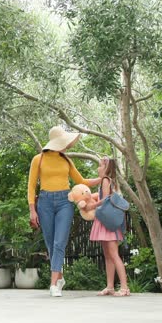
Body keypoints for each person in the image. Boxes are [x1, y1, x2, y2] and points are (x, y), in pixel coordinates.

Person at [28, 126, 101, 297]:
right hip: (44, 202)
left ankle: (53, 284)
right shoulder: (38, 159)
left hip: (64, 202)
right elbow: (31, 186)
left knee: (59, 242)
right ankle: (59, 277)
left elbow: (81, 180)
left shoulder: (66, 160)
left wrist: (103, 178)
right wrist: (32, 210)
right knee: (50, 242)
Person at [88, 157, 130, 297]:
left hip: (106, 221)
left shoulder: (106, 180)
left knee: (113, 255)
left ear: (105, 167)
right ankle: (110, 286)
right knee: (108, 255)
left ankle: (124, 288)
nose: (98, 168)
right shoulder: (107, 181)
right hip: (105, 221)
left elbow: (105, 199)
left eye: (100, 166)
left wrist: (92, 205)